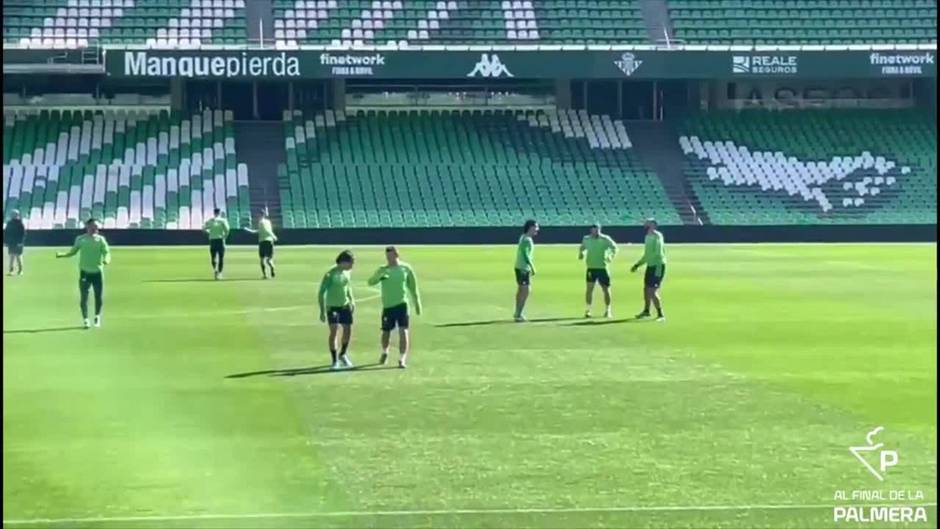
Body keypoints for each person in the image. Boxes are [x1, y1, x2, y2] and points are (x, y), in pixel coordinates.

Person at [367, 246, 421, 369]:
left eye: (391, 256)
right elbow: (370, 282)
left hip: (402, 305)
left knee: (403, 331)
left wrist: (417, 304)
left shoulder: (405, 269)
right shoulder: (383, 269)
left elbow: (413, 287)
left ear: (397, 255)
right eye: (387, 257)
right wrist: (379, 276)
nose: (389, 259)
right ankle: (385, 351)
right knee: (386, 332)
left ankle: (402, 358)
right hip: (388, 306)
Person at [56, 218, 111, 329]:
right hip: (85, 273)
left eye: (96, 227)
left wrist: (107, 260)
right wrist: (62, 254)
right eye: (92, 227)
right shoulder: (81, 239)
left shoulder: (100, 240)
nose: (95, 229)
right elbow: (73, 251)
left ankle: (97, 317)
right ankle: (86, 319)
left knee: (98, 297)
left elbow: (107, 252)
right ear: (87, 227)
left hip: (97, 272)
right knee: (84, 297)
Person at [318, 250, 356, 370]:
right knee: (334, 331)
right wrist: (322, 311)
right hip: (333, 307)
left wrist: (352, 300)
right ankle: (334, 361)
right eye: (351, 263)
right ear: (344, 262)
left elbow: (348, 287)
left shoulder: (347, 273)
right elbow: (321, 293)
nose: (352, 266)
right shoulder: (330, 274)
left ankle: (343, 354)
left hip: (345, 306)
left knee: (348, 330)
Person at [578, 223, 618, 318]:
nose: (596, 232)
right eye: (594, 230)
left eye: (597, 230)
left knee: (606, 289)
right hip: (591, 267)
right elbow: (582, 247)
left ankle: (608, 310)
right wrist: (581, 253)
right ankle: (588, 310)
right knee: (589, 289)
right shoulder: (586, 239)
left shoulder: (605, 239)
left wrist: (610, 256)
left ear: (600, 229)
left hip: (602, 267)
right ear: (591, 230)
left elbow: (614, 248)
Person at [630, 218, 667, 322]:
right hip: (650, 265)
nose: (646, 224)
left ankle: (661, 314)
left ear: (654, 225)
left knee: (652, 291)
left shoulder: (657, 236)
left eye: (649, 222)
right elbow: (647, 254)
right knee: (646, 289)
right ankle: (646, 310)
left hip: (658, 265)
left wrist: (652, 259)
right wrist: (638, 264)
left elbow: (658, 252)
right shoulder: (647, 236)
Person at [513, 219, 539, 322]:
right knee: (525, 290)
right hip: (523, 268)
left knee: (521, 290)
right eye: (536, 227)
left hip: (519, 267)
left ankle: (517, 312)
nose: (537, 229)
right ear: (531, 227)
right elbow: (525, 254)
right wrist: (532, 266)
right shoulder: (527, 239)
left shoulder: (523, 237)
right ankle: (518, 314)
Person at [243, 212, 277, 279]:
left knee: (262, 259)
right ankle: (272, 266)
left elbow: (266, 230)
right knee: (269, 259)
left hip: (263, 242)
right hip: (270, 241)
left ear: (260, 215)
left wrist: (273, 236)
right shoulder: (268, 222)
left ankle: (265, 275)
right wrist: (249, 230)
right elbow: (263, 230)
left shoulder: (261, 222)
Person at [203, 208, 230, 280]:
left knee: (213, 257)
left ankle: (215, 270)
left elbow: (203, 228)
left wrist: (209, 233)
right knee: (221, 258)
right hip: (220, 240)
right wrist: (224, 237)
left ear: (214, 213)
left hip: (213, 240)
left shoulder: (211, 221)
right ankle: (220, 273)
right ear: (219, 213)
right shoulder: (223, 220)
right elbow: (227, 230)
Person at [5, 210, 26, 276]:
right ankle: (11, 271)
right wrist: (6, 242)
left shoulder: (20, 223)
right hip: (11, 242)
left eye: (14, 214)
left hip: (18, 243)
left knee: (18, 257)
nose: (12, 216)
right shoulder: (9, 223)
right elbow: (6, 233)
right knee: (11, 257)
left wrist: (20, 242)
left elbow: (23, 234)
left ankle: (20, 271)